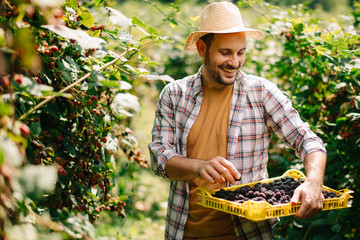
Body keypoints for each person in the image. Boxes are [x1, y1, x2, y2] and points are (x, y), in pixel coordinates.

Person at [148, 1, 327, 239]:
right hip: (185, 230)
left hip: (249, 232)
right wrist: (198, 167)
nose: (234, 62)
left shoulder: (261, 92)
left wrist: (314, 182)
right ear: (202, 49)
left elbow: (307, 140)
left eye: (240, 52)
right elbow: (160, 157)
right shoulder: (174, 95)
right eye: (225, 53)